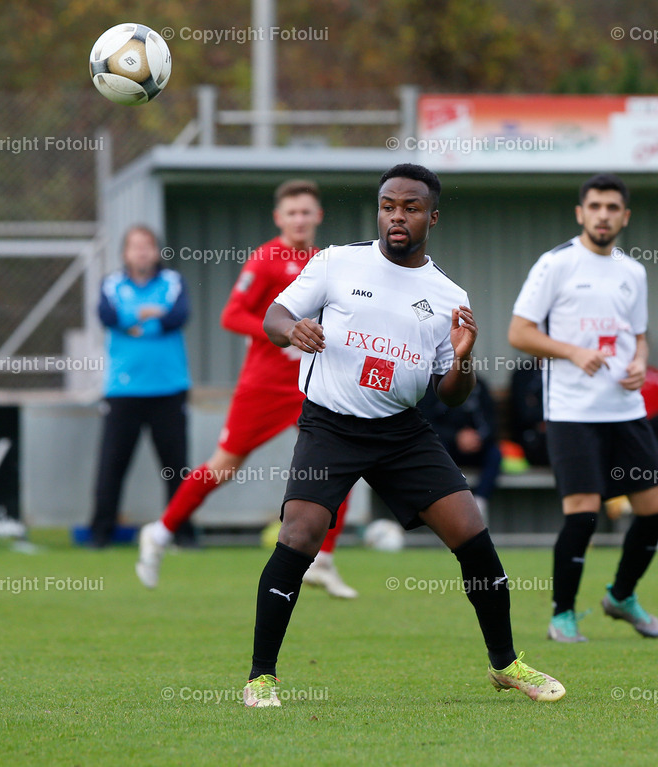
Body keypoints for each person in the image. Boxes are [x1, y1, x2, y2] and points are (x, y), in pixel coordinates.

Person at [242, 164, 564, 707]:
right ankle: (261, 678)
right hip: (330, 424)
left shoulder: (447, 295)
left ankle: (508, 665)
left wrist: (463, 358)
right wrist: (290, 329)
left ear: (431, 217)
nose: (397, 215)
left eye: (410, 207)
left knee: (471, 531)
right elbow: (275, 315)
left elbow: (452, 394)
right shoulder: (337, 262)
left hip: (402, 432)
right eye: (388, 205)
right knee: (299, 535)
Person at [136, 181, 356, 597]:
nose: (299, 219)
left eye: (306, 212)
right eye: (291, 213)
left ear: (318, 216)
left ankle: (323, 560)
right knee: (223, 467)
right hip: (264, 385)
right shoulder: (267, 258)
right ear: (279, 218)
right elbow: (231, 315)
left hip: (310, 384)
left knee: (339, 462)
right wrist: (284, 332)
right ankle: (160, 533)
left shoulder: (326, 262)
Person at [509, 172, 658, 644]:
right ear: (581, 213)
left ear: (625, 216)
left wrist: (640, 360)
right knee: (583, 514)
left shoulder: (633, 271)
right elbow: (519, 333)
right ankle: (562, 615)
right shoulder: (555, 265)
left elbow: (638, 335)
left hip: (625, 408)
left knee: (655, 509)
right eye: (595, 206)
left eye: (612, 207)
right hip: (572, 412)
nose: (603, 215)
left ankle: (621, 596)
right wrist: (572, 352)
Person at [90, 225, 192, 548]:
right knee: (112, 466)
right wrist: (146, 315)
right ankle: (100, 534)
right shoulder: (111, 283)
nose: (141, 252)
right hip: (123, 391)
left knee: (176, 468)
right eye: (135, 247)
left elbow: (177, 316)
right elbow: (107, 315)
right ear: (125, 253)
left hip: (168, 389)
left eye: (147, 246)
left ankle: (181, 534)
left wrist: (136, 320)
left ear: (156, 250)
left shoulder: (173, 282)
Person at [417, 375, 502, 519]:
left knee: (495, 454)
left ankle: (479, 504)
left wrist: (478, 438)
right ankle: (447, 506)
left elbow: (491, 423)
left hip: (476, 446)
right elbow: (426, 422)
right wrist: (456, 436)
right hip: (447, 446)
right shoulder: (431, 387)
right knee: (437, 452)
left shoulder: (479, 385)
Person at [509, 358, 550, 466]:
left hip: (558, 427)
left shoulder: (564, 374)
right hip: (530, 434)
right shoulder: (524, 374)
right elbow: (523, 412)